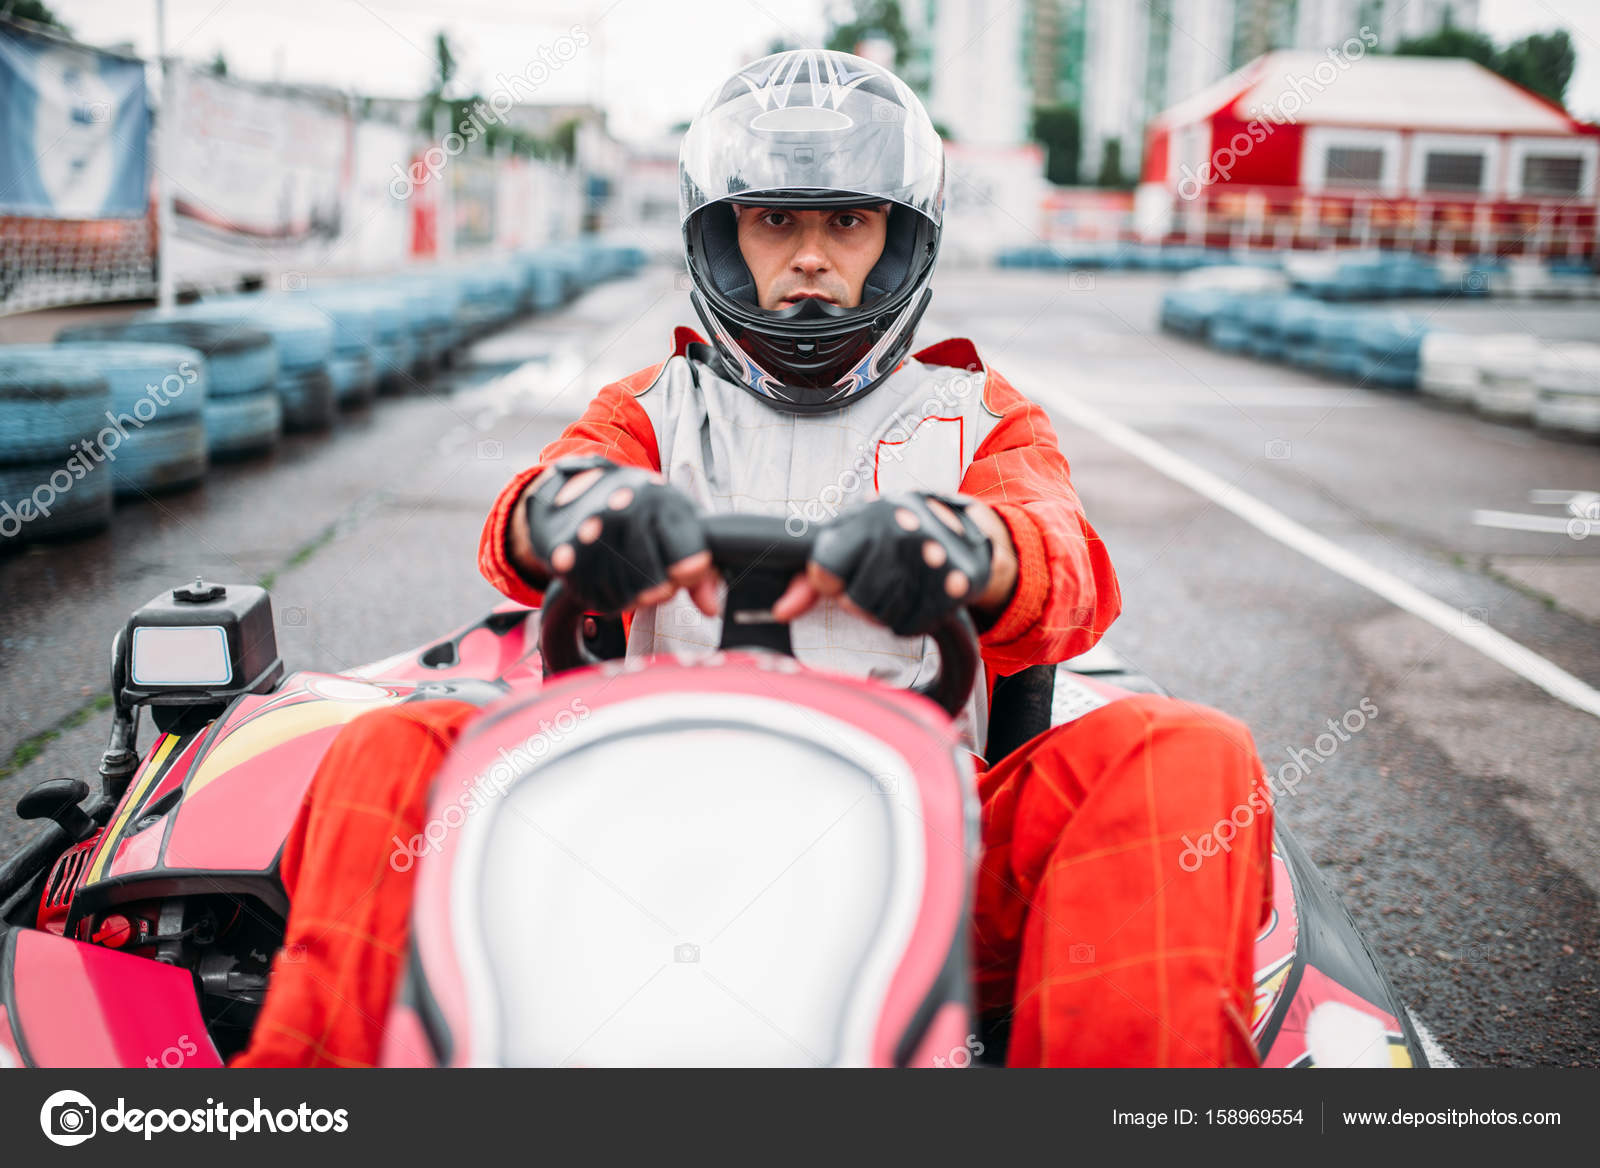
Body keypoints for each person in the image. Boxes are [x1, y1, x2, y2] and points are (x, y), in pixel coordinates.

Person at [234, 50, 1271, 1069]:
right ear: (721, 238)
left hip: (923, 852)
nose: (811, 256)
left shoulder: (979, 419)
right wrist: (582, 515)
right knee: (394, 752)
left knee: (1187, 753)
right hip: (633, 833)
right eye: (776, 220)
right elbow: (519, 525)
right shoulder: (643, 410)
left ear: (902, 240)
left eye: (847, 222)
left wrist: (971, 548)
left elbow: (1066, 571)